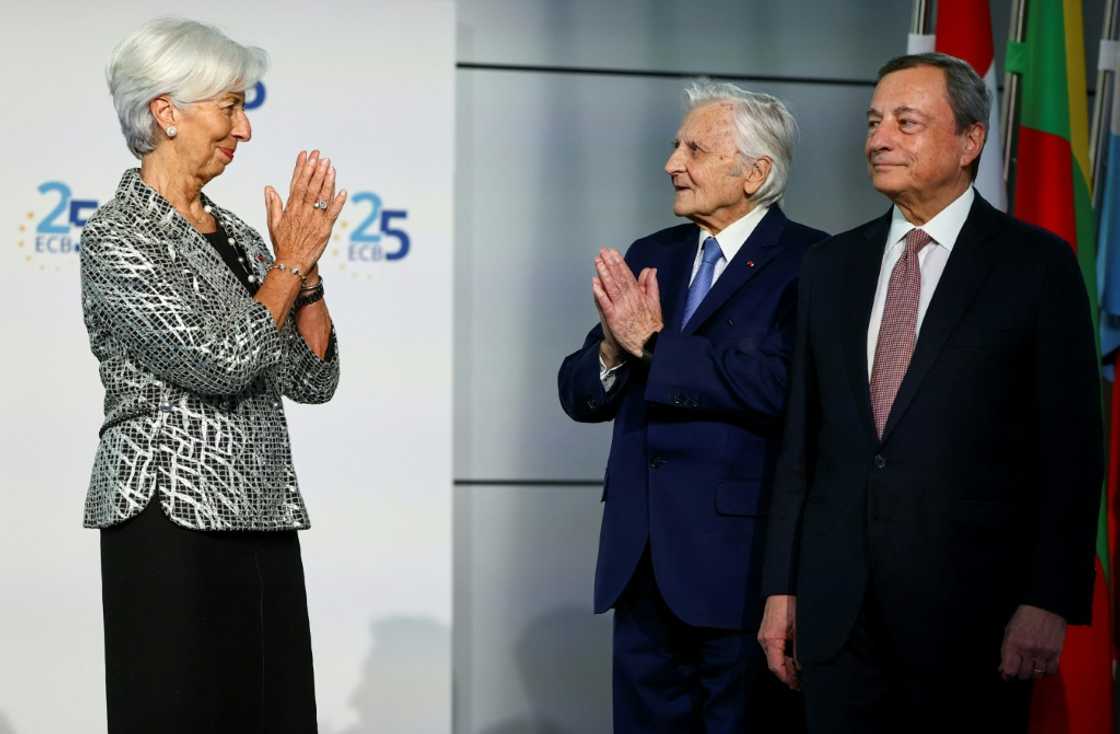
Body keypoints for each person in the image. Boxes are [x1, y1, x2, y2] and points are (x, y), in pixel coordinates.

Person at [758, 52, 1103, 733]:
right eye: (874, 121)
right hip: (836, 616)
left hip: (974, 620)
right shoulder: (829, 266)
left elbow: (1071, 448)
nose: (879, 139)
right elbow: (802, 442)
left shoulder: (1036, 265)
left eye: (905, 122)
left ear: (970, 140)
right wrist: (782, 588)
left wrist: (1049, 599)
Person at [80, 18, 347, 733]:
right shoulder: (116, 235)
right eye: (230, 106)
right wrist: (287, 265)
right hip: (170, 518)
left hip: (263, 512)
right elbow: (217, 361)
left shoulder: (241, 235)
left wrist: (306, 277)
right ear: (165, 111)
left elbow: (312, 379)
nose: (245, 129)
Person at [557, 80, 827, 732]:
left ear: (755, 173)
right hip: (640, 565)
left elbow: (783, 386)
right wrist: (614, 351)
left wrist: (654, 345)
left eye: (695, 150)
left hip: (738, 568)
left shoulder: (812, 263)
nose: (671, 163)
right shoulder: (654, 255)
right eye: (677, 146)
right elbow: (580, 393)